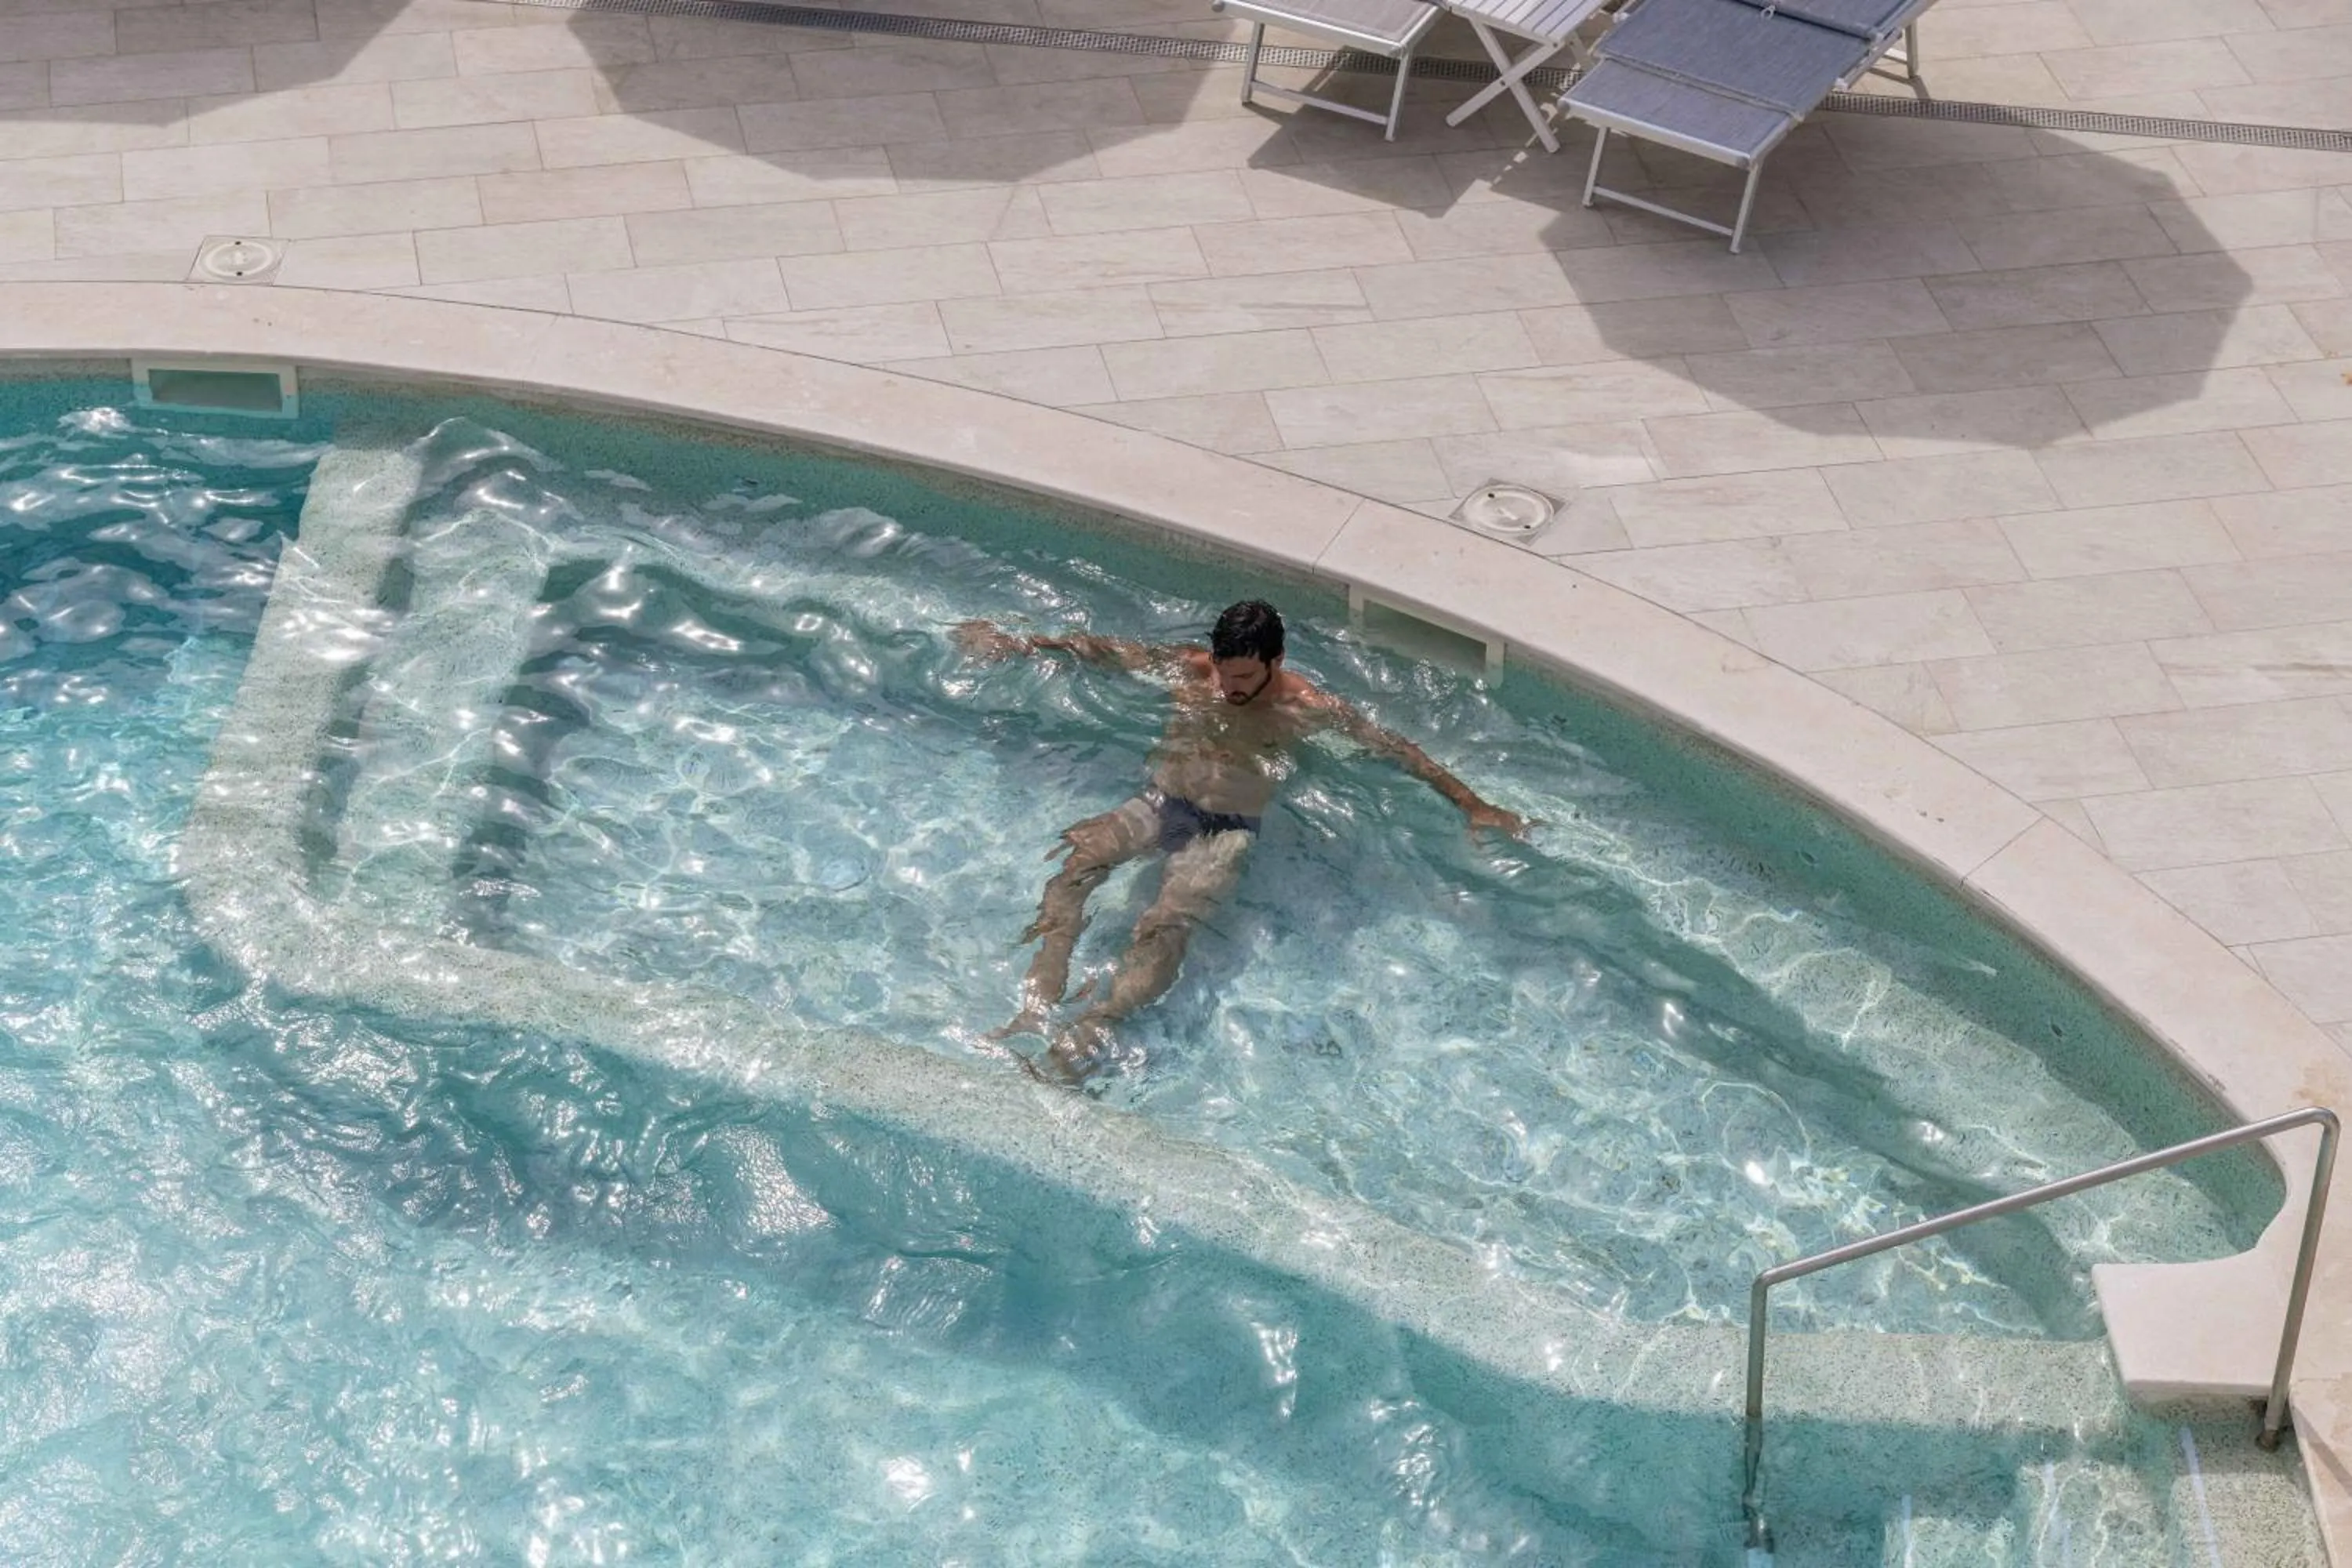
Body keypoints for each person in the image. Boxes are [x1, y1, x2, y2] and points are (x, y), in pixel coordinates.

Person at [953, 599, 1530, 1083]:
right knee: (1075, 867)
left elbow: (1401, 752)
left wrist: (1474, 806)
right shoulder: (1195, 671)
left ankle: (1097, 1024)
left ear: (1277, 660)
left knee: (1165, 927)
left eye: (1245, 679)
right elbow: (1104, 651)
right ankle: (1041, 994)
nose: (1230, 689)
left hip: (1222, 831)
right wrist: (1024, 642)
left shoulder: (1307, 708)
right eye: (1225, 675)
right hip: (1161, 802)